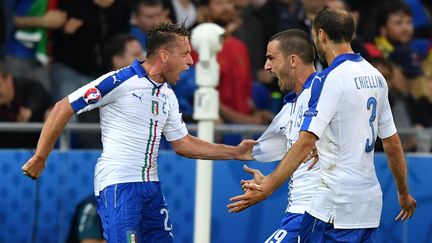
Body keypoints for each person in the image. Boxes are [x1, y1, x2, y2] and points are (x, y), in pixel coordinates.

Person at [21, 23, 255, 243]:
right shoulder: (120, 81)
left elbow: (183, 144)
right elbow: (63, 107)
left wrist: (234, 152)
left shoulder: (167, 94)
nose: (191, 61)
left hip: (151, 188)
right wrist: (41, 156)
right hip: (119, 186)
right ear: (164, 55)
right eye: (185, 54)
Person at [228, 8, 417, 242]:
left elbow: (306, 140)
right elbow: (392, 143)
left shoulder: (328, 79)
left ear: (321, 35)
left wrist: (268, 185)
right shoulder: (376, 76)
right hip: (368, 204)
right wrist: (403, 192)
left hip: (332, 206)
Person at [250, 29, 320, 242]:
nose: (266, 66)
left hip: (313, 213)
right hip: (299, 212)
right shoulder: (291, 105)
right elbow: (254, 151)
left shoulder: (324, 92)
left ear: (292, 60)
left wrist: (269, 184)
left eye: (271, 58)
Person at [0, 61, 52, 148]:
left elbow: (49, 108)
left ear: (8, 79)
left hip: (40, 150)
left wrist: (32, 114)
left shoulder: (32, 89)